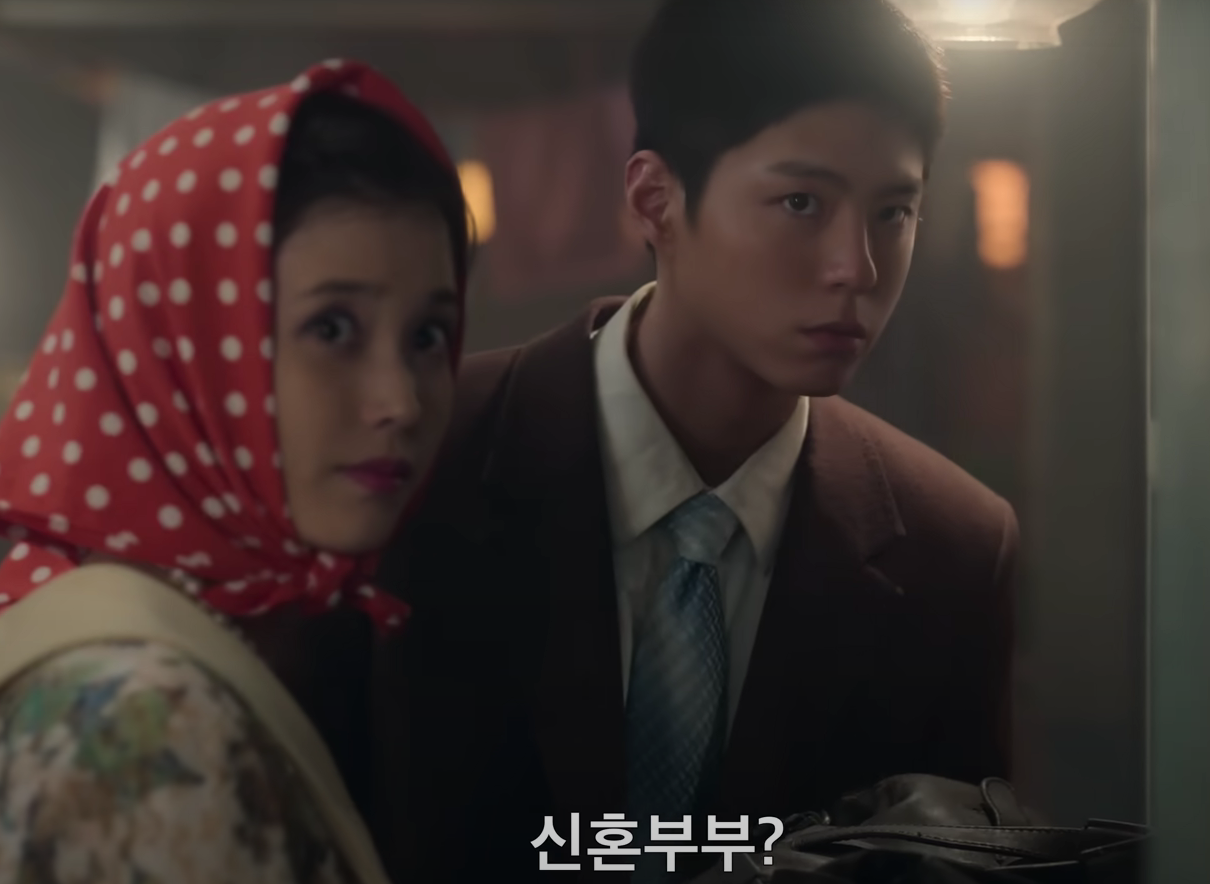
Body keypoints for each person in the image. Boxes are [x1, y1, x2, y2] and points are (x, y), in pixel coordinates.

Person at [378, 0, 1019, 882]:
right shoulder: (419, 456)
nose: (856, 267)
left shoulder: (953, 548)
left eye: (893, 213)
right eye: (801, 203)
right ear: (657, 201)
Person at [0, 60, 468, 884]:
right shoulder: (146, 725)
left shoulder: (230, 628)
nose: (400, 401)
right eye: (333, 329)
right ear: (182, 350)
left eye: (428, 337)